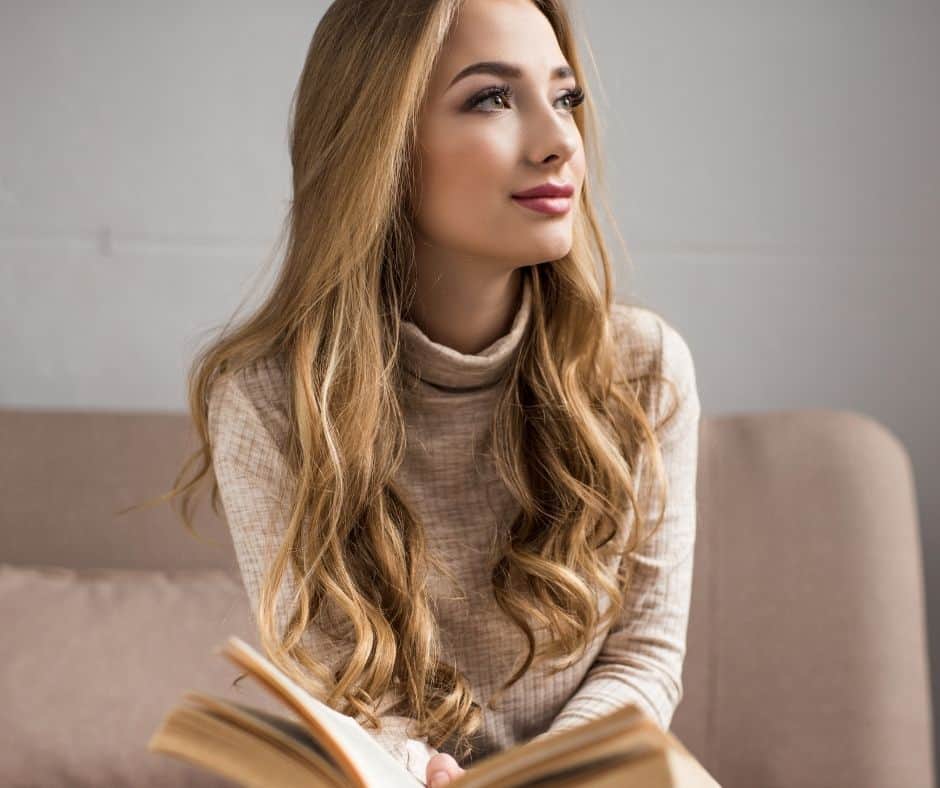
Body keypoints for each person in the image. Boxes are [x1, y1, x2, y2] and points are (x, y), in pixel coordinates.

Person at [170, 1, 701, 785]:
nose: (560, 143)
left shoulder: (642, 367)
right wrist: (421, 770)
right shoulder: (272, 402)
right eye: (492, 97)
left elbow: (646, 658)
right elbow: (338, 695)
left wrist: (543, 774)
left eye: (565, 98)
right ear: (381, 140)